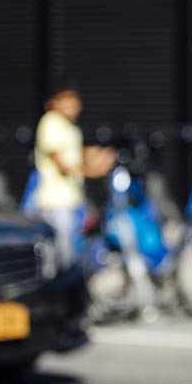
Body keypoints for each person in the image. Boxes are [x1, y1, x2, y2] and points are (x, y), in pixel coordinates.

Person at [32, 82, 116, 270]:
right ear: (53, 102)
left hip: (72, 203)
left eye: (74, 100)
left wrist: (99, 155)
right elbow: (62, 163)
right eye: (66, 100)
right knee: (61, 259)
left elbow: (77, 154)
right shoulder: (51, 122)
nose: (72, 105)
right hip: (55, 204)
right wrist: (95, 170)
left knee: (73, 256)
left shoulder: (71, 127)